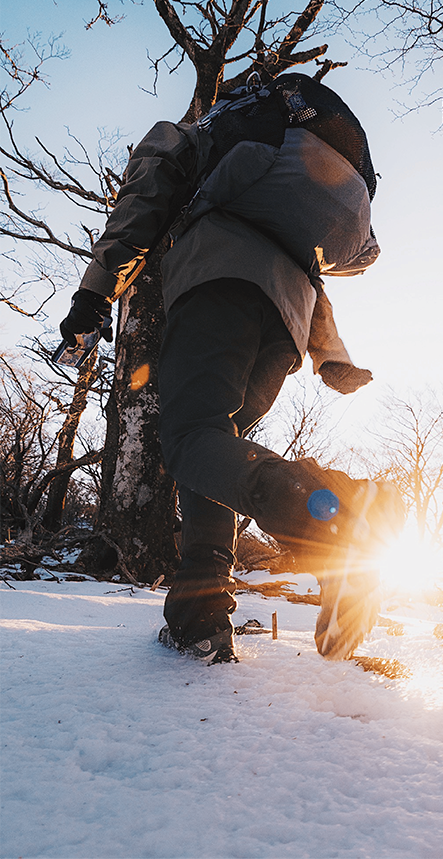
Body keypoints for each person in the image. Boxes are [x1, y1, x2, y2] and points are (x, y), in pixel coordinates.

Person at [59, 72, 404, 665]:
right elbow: (310, 272)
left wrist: (92, 297)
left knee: (192, 439)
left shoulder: (192, 136)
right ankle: (199, 614)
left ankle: (332, 517)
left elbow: (143, 203)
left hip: (218, 281)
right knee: (215, 449)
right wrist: (330, 355)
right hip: (287, 321)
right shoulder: (287, 163)